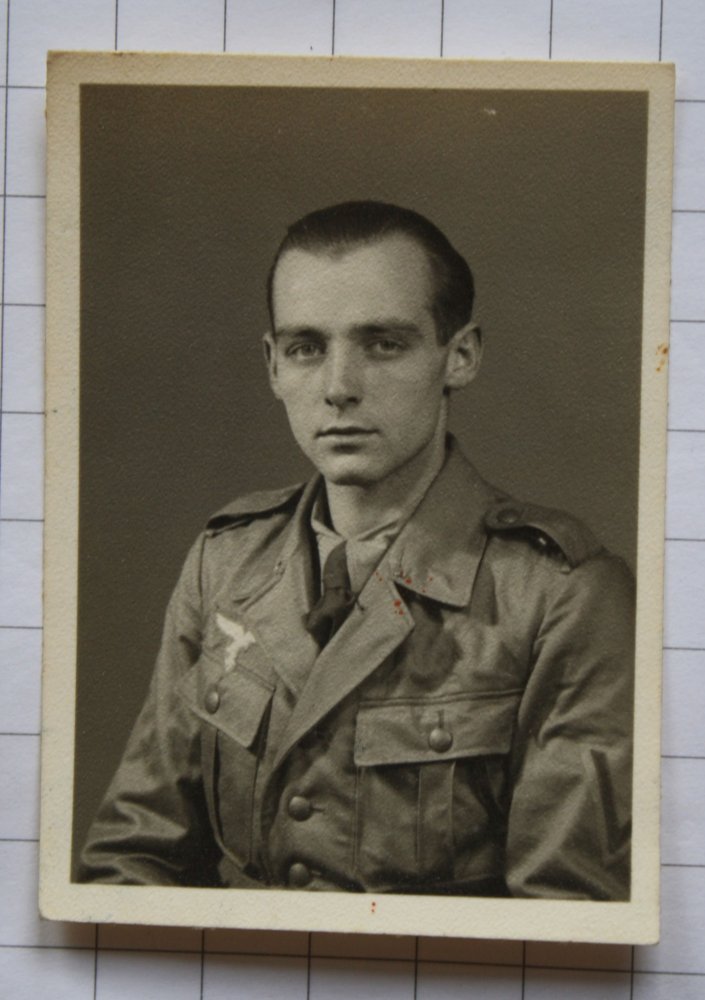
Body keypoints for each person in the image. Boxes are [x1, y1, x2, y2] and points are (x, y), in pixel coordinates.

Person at [79, 200, 634, 899]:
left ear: (459, 356)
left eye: (384, 344)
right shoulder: (225, 562)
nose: (339, 388)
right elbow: (132, 861)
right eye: (306, 348)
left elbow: (562, 924)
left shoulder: (561, 596)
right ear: (273, 366)